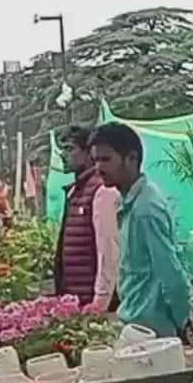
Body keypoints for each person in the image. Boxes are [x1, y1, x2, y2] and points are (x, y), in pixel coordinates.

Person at [90, 123, 192, 339]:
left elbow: (171, 274)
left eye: (106, 159)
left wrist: (184, 324)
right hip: (135, 324)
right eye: (96, 160)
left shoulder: (145, 209)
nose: (98, 168)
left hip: (153, 332)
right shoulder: (127, 202)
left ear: (132, 158)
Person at [53, 125, 120, 311]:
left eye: (69, 149)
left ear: (89, 153)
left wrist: (101, 301)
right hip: (77, 301)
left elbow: (108, 251)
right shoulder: (76, 191)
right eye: (62, 149)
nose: (63, 155)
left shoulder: (102, 190)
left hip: (94, 304)